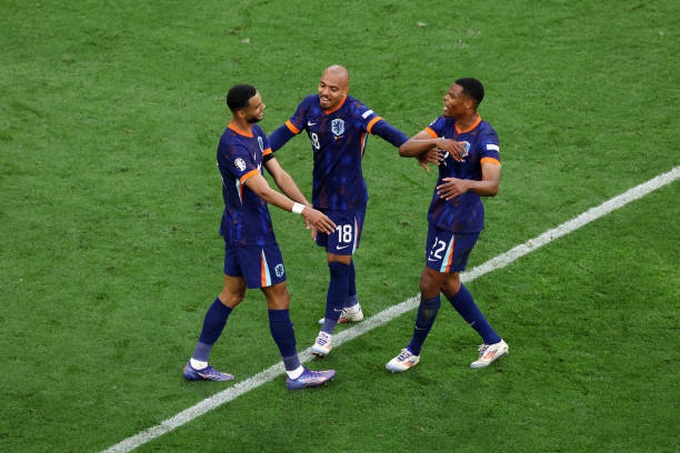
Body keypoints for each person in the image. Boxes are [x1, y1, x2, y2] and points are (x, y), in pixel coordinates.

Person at [183, 84, 336, 390]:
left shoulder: (256, 133)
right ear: (241, 112)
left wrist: (308, 207)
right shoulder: (232, 147)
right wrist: (302, 213)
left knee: (233, 294)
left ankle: (197, 363)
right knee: (279, 295)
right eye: (257, 105)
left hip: (241, 227)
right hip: (251, 234)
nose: (263, 108)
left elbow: (279, 175)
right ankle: (295, 372)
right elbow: (262, 190)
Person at [268, 65, 409, 357]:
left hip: (349, 201)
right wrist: (254, 151)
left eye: (333, 89)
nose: (325, 92)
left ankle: (326, 333)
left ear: (345, 91)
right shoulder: (309, 106)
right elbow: (283, 133)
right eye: (322, 85)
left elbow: (388, 132)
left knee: (337, 261)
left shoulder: (356, 112)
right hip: (322, 198)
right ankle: (351, 306)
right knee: (338, 255)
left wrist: (419, 147)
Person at [385, 78, 509, 372]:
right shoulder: (444, 123)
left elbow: (492, 185)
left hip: (461, 222)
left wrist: (466, 184)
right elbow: (405, 147)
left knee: (430, 281)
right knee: (449, 282)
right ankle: (492, 341)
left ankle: (412, 351)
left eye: (452, 96)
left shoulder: (485, 136)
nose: (445, 98)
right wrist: (433, 143)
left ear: (468, 103)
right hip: (439, 215)